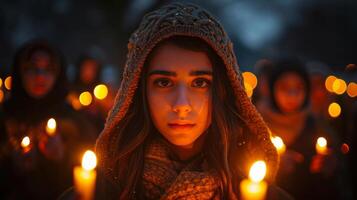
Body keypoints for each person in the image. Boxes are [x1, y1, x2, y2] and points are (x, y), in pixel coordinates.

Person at [79, 3, 295, 200]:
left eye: (200, 83)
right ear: (138, 90)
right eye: (164, 82)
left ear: (223, 90)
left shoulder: (258, 193)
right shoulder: (99, 191)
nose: (181, 104)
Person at [0, 40, 97, 199]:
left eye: (48, 69)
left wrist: (62, 156)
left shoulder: (74, 120)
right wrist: (12, 166)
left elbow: (92, 166)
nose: (40, 76)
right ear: (19, 72)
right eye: (32, 68)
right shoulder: (5, 116)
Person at [257, 58, 353, 199]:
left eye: (298, 88)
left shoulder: (318, 127)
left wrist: (332, 170)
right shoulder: (256, 127)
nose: (292, 95)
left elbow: (344, 182)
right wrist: (273, 169)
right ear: (272, 90)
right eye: (284, 88)